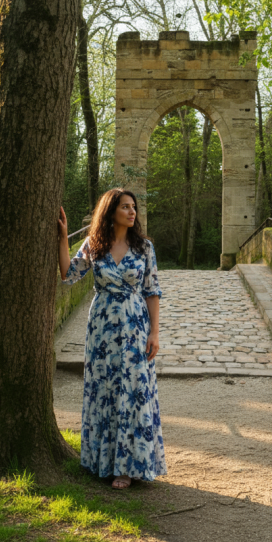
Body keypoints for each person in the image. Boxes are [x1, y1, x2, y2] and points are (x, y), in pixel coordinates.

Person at [57, 188, 167, 489]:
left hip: (134, 325)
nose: (132, 212)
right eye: (125, 207)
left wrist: (155, 333)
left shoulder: (144, 248)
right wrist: (62, 237)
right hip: (102, 327)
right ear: (110, 212)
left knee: (133, 391)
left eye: (134, 207)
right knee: (104, 389)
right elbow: (68, 274)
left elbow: (152, 291)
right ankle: (103, 461)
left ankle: (129, 466)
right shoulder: (94, 245)